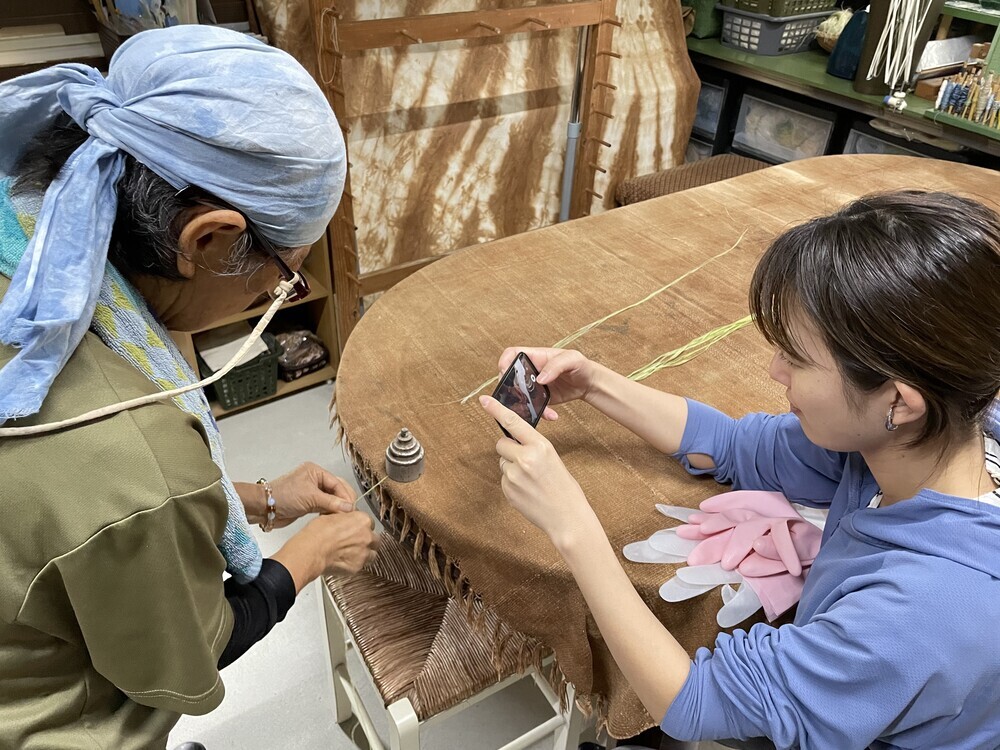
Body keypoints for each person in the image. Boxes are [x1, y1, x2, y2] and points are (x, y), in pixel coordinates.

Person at [479, 191, 1000, 749]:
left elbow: (694, 703)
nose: (775, 370)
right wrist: (594, 382)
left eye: (796, 358)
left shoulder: (924, 609)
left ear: (898, 400)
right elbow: (730, 445)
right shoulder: (921, 436)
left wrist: (572, 527)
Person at [0, 25, 378, 749]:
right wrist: (311, 554)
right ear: (205, 240)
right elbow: (190, 656)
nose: (278, 293)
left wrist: (261, 499)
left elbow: (72, 518)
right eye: (284, 273)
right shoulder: (132, 451)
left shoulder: (22, 222)